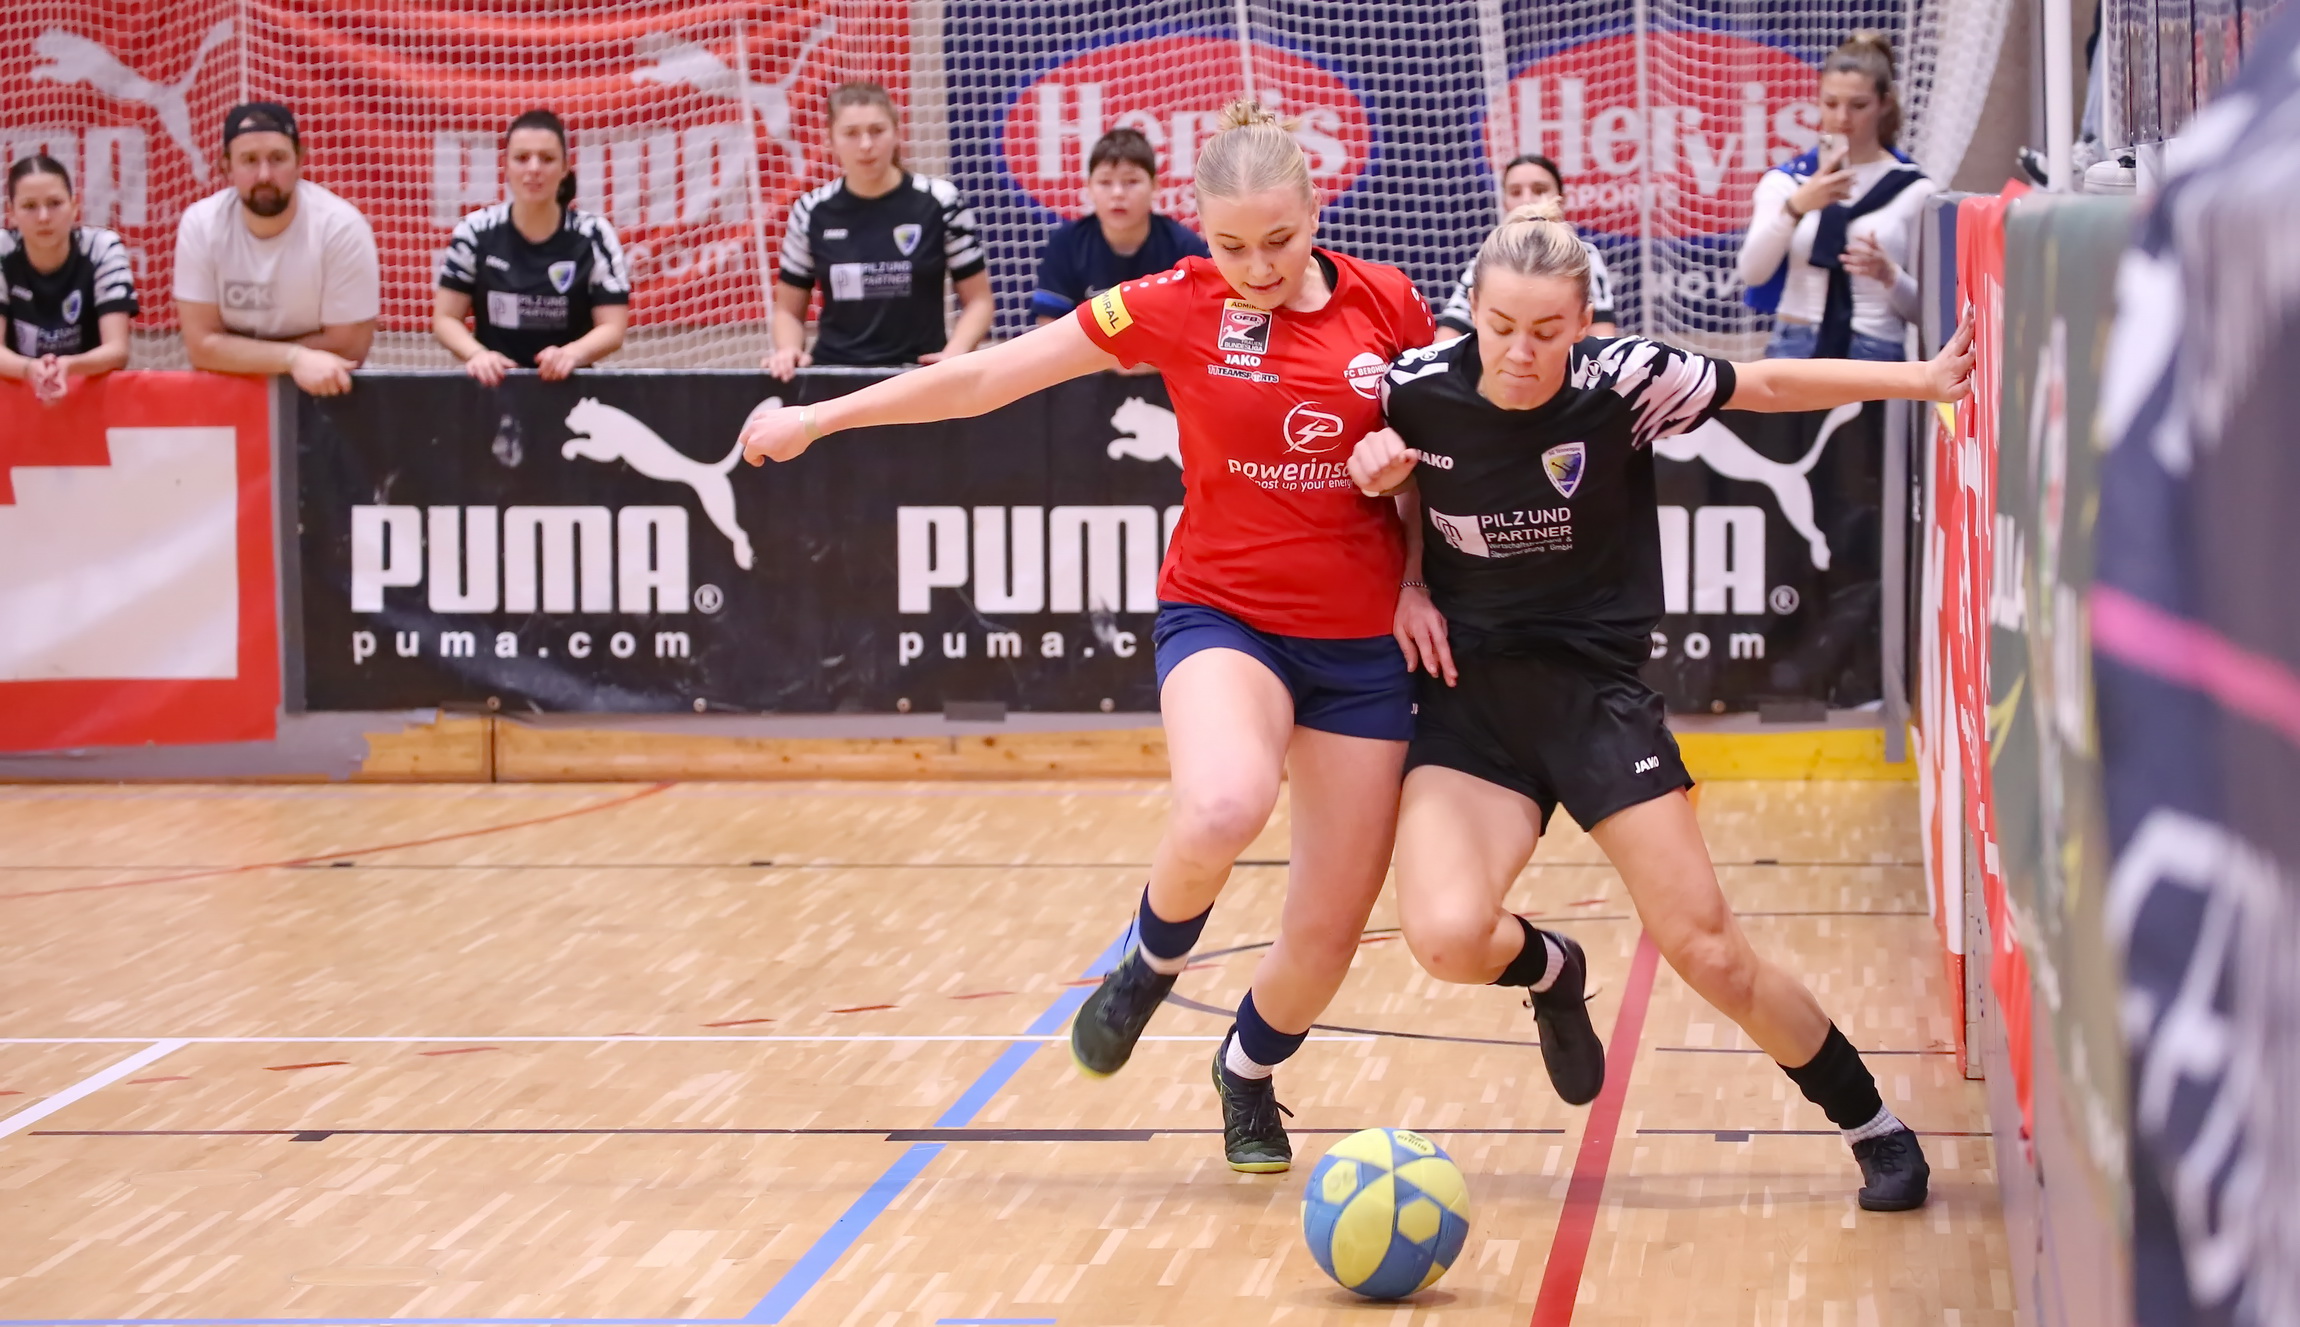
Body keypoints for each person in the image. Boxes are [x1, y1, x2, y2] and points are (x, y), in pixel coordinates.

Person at [740, 103, 1443, 1174]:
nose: (1256, 267)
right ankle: (1149, 960)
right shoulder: (1172, 301)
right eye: (1231, 245)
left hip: (1362, 645)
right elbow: (987, 376)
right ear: (1198, 228)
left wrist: (1414, 563)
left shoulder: (1388, 303)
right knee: (1223, 804)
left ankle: (1246, 1073)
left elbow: (1446, 456)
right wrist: (819, 419)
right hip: (1225, 615)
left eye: (1278, 240)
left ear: (1316, 212)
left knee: (1326, 931)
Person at [1348, 199, 1977, 1211]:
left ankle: (1871, 1123)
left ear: (1582, 320)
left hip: (1597, 699)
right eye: (1500, 326)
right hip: (1470, 705)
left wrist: (1919, 379)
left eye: (1545, 330)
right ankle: (1550, 970)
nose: (1519, 352)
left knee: (1709, 952)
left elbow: (1767, 383)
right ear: (1471, 311)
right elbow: (1373, 491)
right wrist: (1399, 559)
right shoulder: (1411, 388)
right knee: (1447, 937)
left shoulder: (1625, 381)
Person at [764, 83, 992, 379]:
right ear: (830, 140)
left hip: (919, 376)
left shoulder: (941, 201)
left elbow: (979, 301)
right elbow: (787, 311)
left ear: (897, 133)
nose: (865, 145)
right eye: (851, 133)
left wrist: (956, 353)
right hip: (834, 376)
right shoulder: (811, 210)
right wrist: (788, 349)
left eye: (877, 130)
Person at [1736, 33, 1938, 360]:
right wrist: (1795, 208)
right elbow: (1752, 273)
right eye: (1830, 104)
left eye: (1858, 106)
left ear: (1885, 103)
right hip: (1796, 342)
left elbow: (1930, 313)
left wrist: (1889, 275)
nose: (1842, 118)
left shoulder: (1914, 189)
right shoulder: (1788, 182)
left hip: (1875, 347)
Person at [173, 101, 379, 397]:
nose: (264, 175)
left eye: (278, 158)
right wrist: (293, 359)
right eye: (249, 160)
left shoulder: (341, 228)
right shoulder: (201, 225)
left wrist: (235, 353)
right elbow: (201, 347)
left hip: (325, 394)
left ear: (300, 160)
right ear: (226, 167)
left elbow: (349, 347)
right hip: (228, 393)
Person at [434, 109, 630, 385]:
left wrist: (572, 354)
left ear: (565, 168)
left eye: (547, 159)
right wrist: (477, 355)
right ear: (505, 166)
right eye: (522, 158)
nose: (534, 169)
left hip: (571, 391)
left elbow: (613, 327)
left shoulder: (594, 235)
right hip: (494, 387)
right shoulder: (475, 231)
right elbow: (445, 318)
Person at [1029, 128, 1208, 326]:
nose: (1117, 193)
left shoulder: (1184, 248)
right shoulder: (1066, 245)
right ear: (1089, 188)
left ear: (1155, 186)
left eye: (1131, 181)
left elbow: (1206, 318)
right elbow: (1049, 323)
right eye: (1105, 182)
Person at [1435, 153, 1615, 342]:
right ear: (1504, 203)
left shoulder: (1584, 256)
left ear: (1562, 199)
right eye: (1515, 192)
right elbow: (1446, 338)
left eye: (1539, 190)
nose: (1527, 200)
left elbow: (1603, 340)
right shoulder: (1487, 258)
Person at [0, 156, 135, 404]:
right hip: (15, 401)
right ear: (12, 213)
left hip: (89, 397)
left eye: (54, 203)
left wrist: (68, 366)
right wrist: (31, 370)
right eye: (29, 206)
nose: (43, 217)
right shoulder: (2, 251)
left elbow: (117, 350)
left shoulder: (102, 248)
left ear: (74, 206)